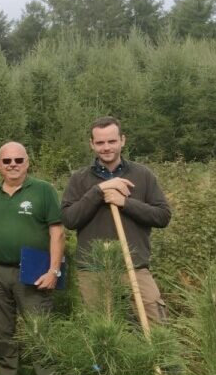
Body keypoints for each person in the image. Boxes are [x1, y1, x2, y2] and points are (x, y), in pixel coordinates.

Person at [0, 142, 63, 375]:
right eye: (7, 161)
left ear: (27, 162)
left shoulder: (43, 191)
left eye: (18, 160)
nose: (13, 165)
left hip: (33, 270)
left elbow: (57, 233)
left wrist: (54, 270)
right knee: (0, 331)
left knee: (38, 331)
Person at [61, 116, 172, 323]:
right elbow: (69, 219)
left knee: (156, 325)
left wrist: (125, 203)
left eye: (111, 141)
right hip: (94, 269)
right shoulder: (80, 179)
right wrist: (98, 192)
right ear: (92, 144)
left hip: (134, 266)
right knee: (103, 332)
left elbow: (162, 216)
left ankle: (153, 357)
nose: (106, 147)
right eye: (100, 143)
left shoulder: (143, 175)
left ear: (122, 140)